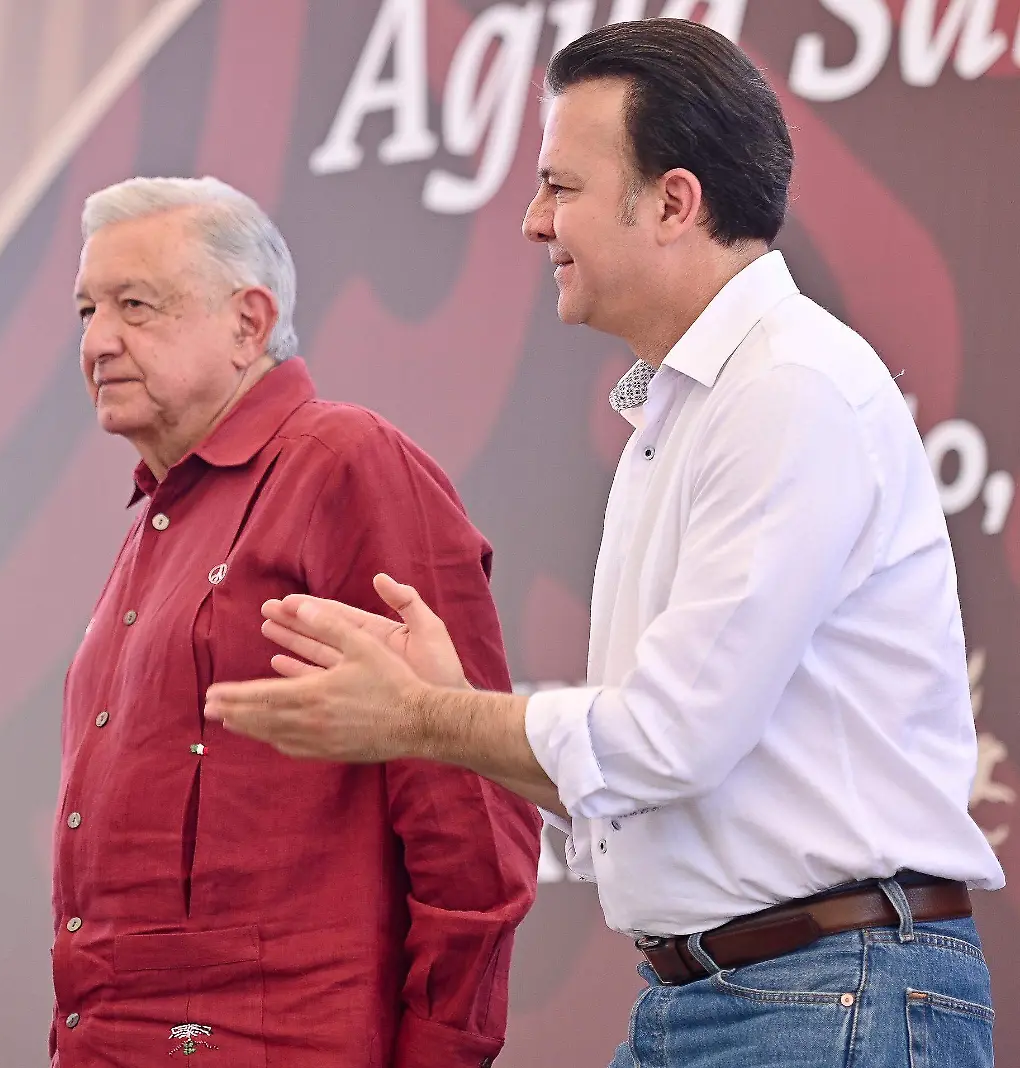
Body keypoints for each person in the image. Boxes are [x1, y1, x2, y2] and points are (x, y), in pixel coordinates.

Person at [204, 19, 1004, 1068]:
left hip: (823, 998)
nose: (534, 223)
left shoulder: (787, 391)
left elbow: (671, 738)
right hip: (745, 996)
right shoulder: (697, 408)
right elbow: (649, 776)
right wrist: (447, 715)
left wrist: (428, 715)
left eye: (560, 187)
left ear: (673, 202)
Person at [53, 176, 539, 1068]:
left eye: (134, 305)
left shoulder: (343, 462)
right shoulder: (155, 524)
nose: (97, 342)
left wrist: (439, 1052)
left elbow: (472, 806)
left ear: (249, 321)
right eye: (86, 309)